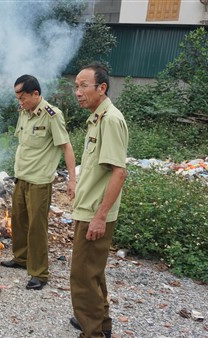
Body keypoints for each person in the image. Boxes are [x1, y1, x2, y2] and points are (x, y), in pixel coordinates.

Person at [69, 63, 128, 338]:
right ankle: (102, 326)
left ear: (101, 88)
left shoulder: (111, 120)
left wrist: (100, 216)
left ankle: (91, 333)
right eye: (76, 86)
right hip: (87, 209)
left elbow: (119, 172)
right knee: (93, 273)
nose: (78, 92)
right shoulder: (96, 118)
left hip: (95, 213)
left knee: (82, 277)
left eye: (83, 86)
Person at [1, 74, 76, 290]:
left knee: (37, 227)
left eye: (23, 97)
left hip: (40, 181)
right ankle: (21, 258)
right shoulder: (23, 113)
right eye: (17, 98)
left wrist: (72, 179)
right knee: (19, 220)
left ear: (36, 94)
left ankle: (39, 273)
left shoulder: (52, 115)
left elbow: (66, 147)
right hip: (21, 177)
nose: (20, 102)